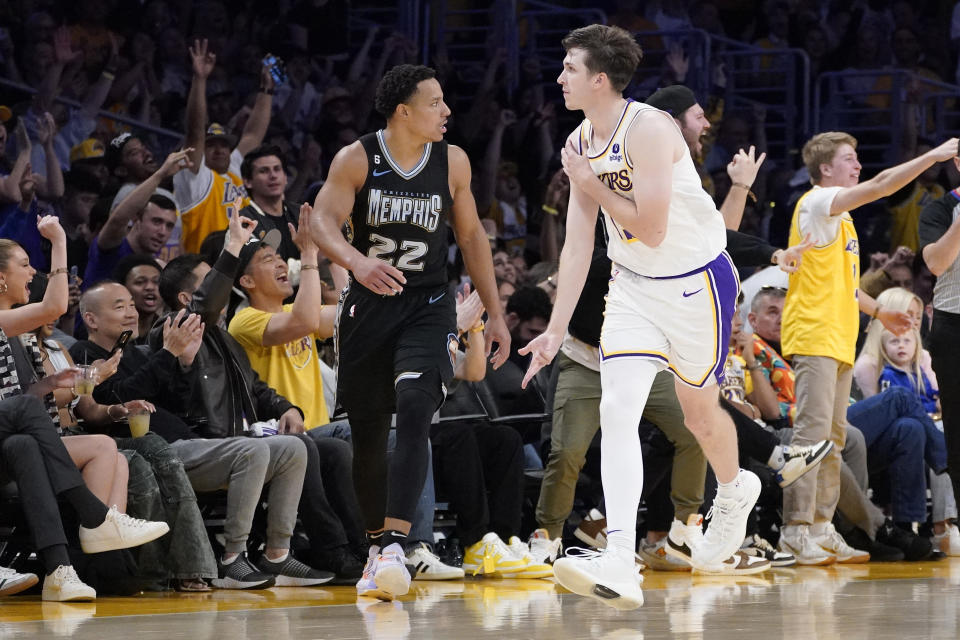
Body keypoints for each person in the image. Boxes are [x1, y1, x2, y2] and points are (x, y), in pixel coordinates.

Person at [520, 25, 759, 610]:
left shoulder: (651, 128)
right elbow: (579, 247)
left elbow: (650, 229)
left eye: (570, 68)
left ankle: (732, 488)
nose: (560, 78)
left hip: (694, 284)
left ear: (599, 79)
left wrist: (590, 183)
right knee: (616, 409)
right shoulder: (580, 142)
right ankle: (621, 558)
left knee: (701, 418)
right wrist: (553, 329)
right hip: (631, 289)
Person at [309, 63, 510, 600]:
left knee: (417, 406)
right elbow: (322, 223)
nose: (447, 112)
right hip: (369, 308)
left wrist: (495, 313)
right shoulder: (357, 159)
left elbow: (471, 239)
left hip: (429, 301)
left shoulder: (453, 162)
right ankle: (377, 548)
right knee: (371, 433)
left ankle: (398, 543)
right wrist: (357, 263)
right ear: (404, 111)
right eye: (435, 103)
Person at [777, 130, 956, 563]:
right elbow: (881, 186)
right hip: (814, 335)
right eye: (849, 159)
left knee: (834, 441)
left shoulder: (842, 221)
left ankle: (821, 527)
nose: (858, 167)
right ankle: (794, 530)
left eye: (858, 160)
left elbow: (844, 286)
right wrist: (929, 158)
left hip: (839, 338)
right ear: (825, 168)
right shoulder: (819, 202)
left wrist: (880, 312)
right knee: (811, 437)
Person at [175, 39, 271, 254]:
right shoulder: (194, 177)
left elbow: (253, 135)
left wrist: (266, 89)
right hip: (205, 265)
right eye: (211, 146)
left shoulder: (234, 170)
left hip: (238, 264)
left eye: (224, 145)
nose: (219, 150)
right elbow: (195, 130)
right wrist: (199, 80)